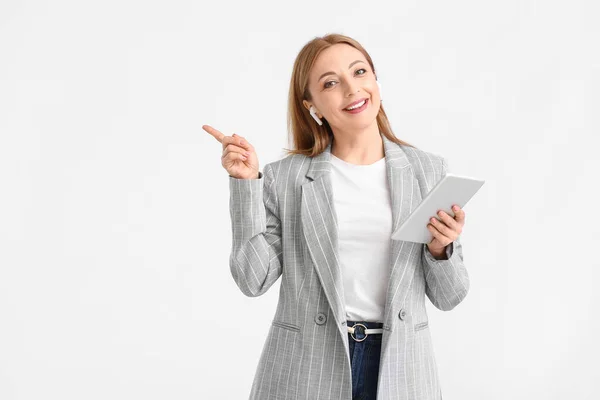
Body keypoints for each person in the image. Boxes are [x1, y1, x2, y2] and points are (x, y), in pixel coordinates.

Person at [203, 33, 469, 400]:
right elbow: (253, 280)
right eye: (331, 82)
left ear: (375, 81)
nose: (351, 89)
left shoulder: (427, 171)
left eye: (360, 72)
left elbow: (450, 296)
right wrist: (245, 184)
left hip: (401, 371)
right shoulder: (287, 178)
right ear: (312, 105)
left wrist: (441, 249)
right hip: (306, 369)